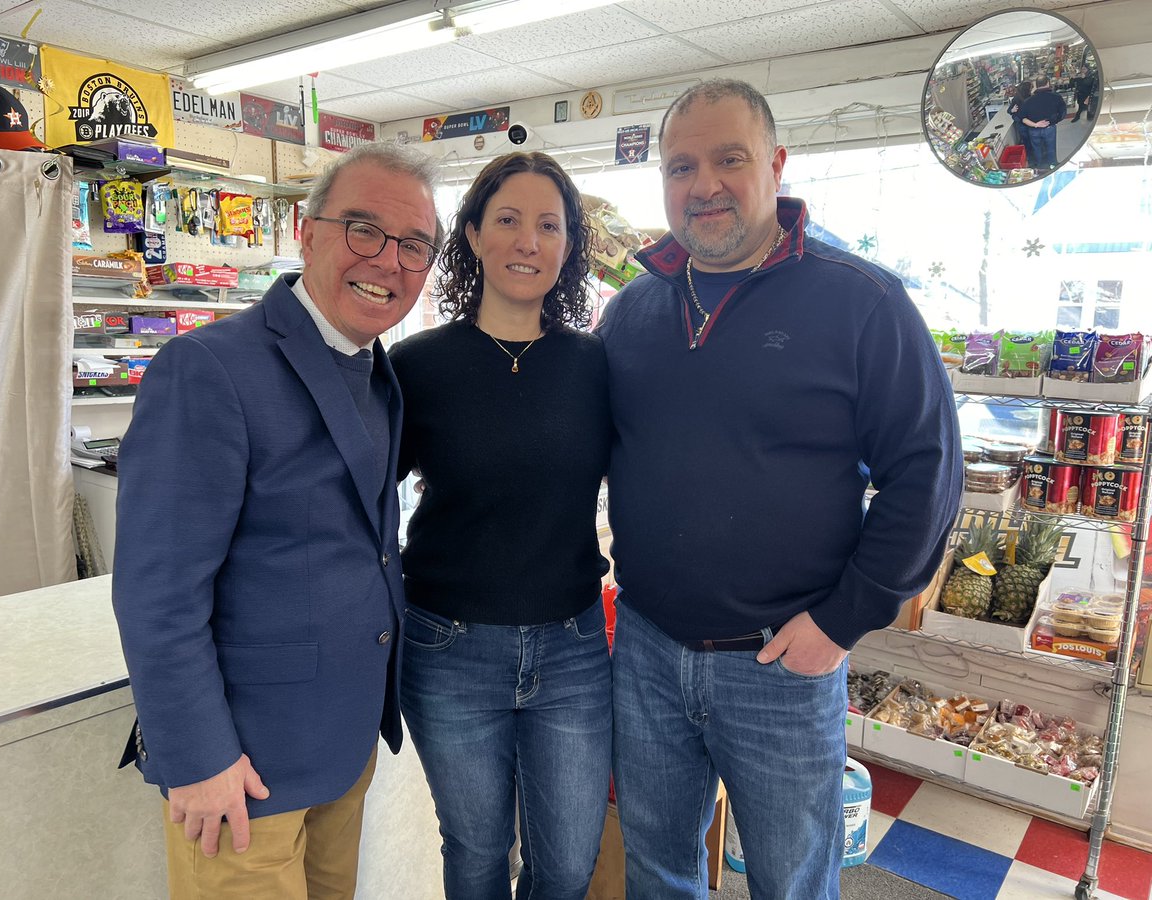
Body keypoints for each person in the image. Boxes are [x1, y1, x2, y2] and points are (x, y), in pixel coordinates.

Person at [596, 79, 962, 899]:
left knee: (791, 880)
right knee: (657, 867)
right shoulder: (633, 312)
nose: (705, 184)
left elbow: (928, 473)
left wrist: (841, 621)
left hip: (783, 664)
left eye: (730, 158)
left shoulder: (862, 300)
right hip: (648, 650)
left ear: (777, 165)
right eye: (681, 166)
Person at [111, 142, 442, 899]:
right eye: (363, 228)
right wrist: (197, 758)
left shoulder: (377, 371)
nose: (388, 259)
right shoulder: (209, 369)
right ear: (308, 230)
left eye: (414, 245)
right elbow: (158, 591)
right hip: (240, 772)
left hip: (341, 748)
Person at [388, 151, 611, 900]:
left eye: (549, 226)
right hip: (449, 648)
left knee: (568, 866)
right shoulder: (416, 365)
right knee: (478, 854)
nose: (528, 241)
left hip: (574, 649)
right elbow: (356, 493)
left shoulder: (596, 366)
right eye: (508, 220)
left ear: (569, 246)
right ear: (475, 235)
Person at [1020, 75, 1068, 169]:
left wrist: (1036, 124)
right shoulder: (1056, 97)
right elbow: (1063, 113)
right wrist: (1053, 121)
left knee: (1037, 149)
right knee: (1051, 148)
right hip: (1049, 128)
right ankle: (1052, 166)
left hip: (1034, 130)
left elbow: (1023, 118)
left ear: (1036, 86)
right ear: (1048, 83)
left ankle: (1040, 167)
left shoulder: (1028, 101)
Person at [1007, 81, 1035, 168]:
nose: (1032, 89)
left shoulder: (1019, 97)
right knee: (1030, 141)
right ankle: (1033, 159)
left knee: (1027, 142)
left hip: (1022, 124)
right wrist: (1012, 110)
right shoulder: (1019, 99)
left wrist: (1012, 111)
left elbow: (1009, 110)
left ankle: (1031, 160)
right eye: (1031, 88)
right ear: (1027, 89)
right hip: (1027, 124)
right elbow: (1009, 110)